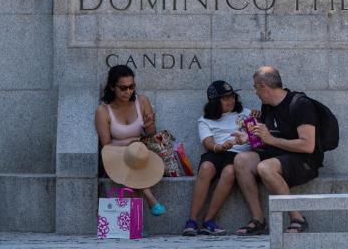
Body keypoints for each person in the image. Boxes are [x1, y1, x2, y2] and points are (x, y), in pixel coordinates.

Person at [233, 65, 321, 235]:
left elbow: (308, 145)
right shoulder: (267, 105)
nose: (255, 92)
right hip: (277, 155)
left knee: (264, 167)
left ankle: (297, 218)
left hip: (304, 161)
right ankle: (258, 220)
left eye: (255, 87)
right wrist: (248, 138)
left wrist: (271, 140)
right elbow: (266, 138)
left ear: (263, 86)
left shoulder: (300, 104)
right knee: (241, 160)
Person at [181, 80, 253, 236]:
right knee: (206, 167)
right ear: (215, 101)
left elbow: (255, 135)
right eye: (225, 98)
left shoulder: (246, 113)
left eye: (232, 96)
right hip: (217, 151)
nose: (231, 100)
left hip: (239, 155)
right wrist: (220, 147)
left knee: (229, 172)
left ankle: (208, 221)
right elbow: (208, 143)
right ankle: (192, 221)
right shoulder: (205, 120)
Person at [95, 64, 166, 216]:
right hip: (115, 155)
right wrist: (127, 147)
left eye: (131, 87)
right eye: (123, 88)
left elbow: (152, 133)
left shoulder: (142, 101)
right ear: (113, 87)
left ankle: (136, 223)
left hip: (139, 153)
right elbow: (106, 145)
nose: (128, 91)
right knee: (132, 157)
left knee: (136, 152)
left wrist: (149, 125)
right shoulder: (103, 111)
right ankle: (150, 198)